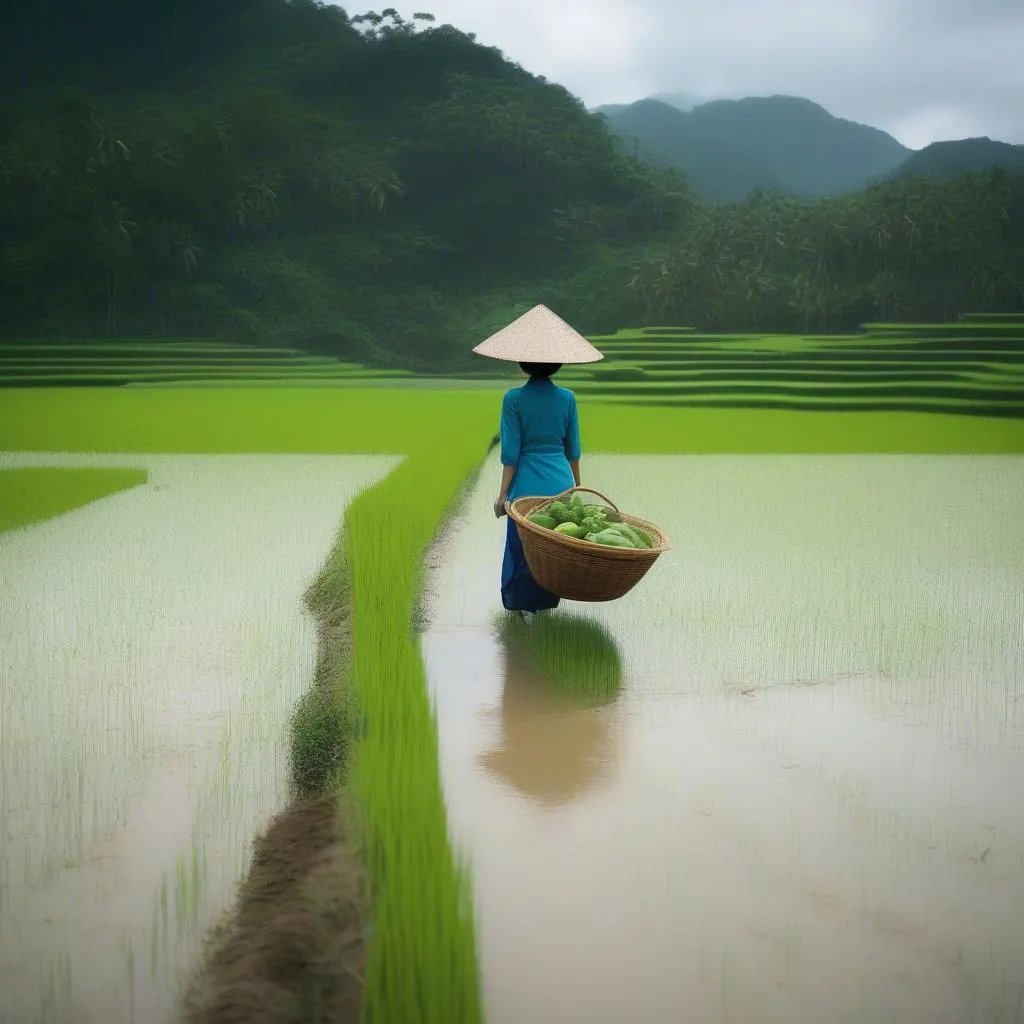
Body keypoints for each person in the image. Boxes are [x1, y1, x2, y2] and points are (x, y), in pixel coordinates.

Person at [493, 361, 581, 618]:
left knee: (522, 548)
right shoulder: (567, 398)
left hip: (526, 486)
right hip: (560, 485)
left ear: (524, 365)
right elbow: (573, 449)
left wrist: (502, 496)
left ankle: (522, 607)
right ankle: (544, 606)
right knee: (553, 549)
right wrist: (576, 487)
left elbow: (510, 453)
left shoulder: (514, 399)